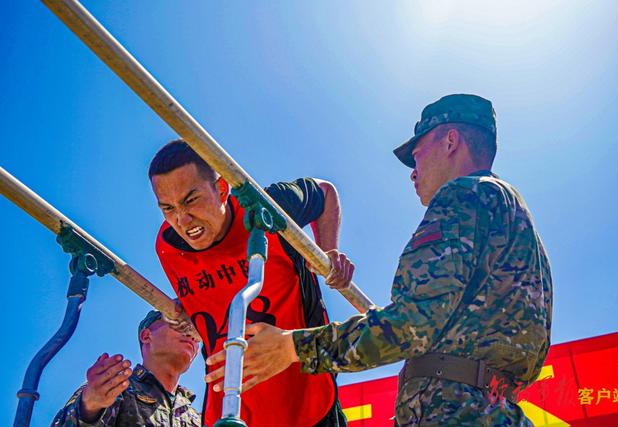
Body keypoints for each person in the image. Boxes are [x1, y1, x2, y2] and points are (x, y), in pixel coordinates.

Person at [205, 94, 553, 426]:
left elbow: (411, 325)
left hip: (452, 412)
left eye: (417, 155)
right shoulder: (516, 221)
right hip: (497, 411)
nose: (413, 172)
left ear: (450, 142)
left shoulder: (463, 196)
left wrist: (291, 347)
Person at [148, 140, 351, 427]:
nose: (182, 219)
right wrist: (189, 314)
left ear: (221, 189)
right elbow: (211, 299)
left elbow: (325, 192)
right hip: (229, 411)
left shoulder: (268, 208)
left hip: (308, 404)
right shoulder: (168, 247)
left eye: (191, 200)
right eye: (168, 208)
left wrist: (327, 252)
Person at [51, 310, 201, 426]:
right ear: (146, 336)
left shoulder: (198, 418)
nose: (191, 334)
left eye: (196, 331)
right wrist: (89, 408)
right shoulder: (113, 388)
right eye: (178, 322)